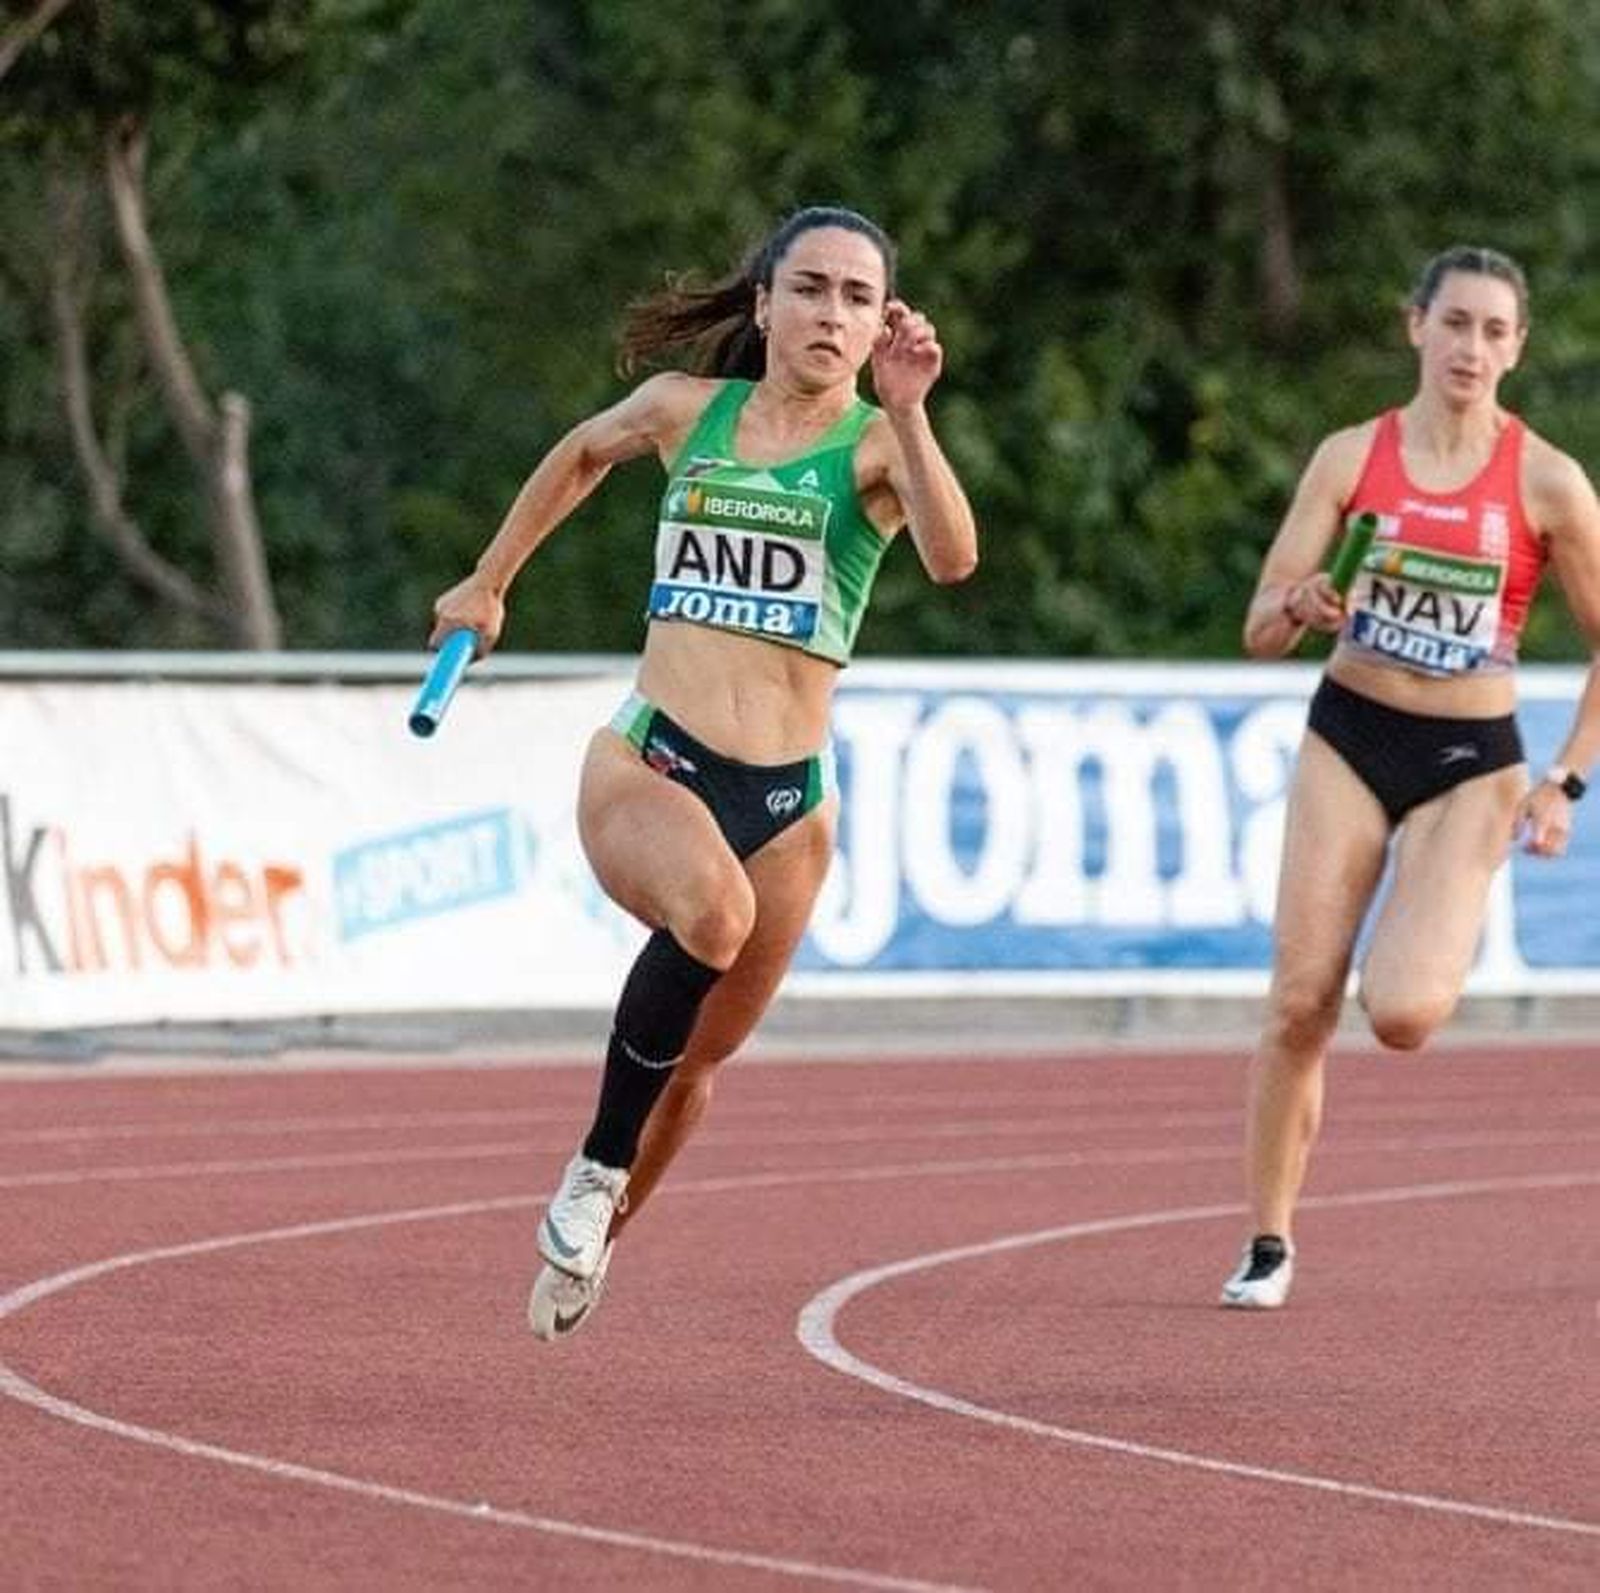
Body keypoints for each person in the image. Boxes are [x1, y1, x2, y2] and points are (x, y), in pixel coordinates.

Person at [428, 205, 978, 1340]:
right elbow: (583, 451)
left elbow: (953, 556)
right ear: (765, 303)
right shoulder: (690, 413)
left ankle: (597, 1235)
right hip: (651, 761)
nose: (832, 313)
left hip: (786, 809)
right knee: (710, 916)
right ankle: (590, 1168)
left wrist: (915, 415)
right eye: (812, 288)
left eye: (857, 298)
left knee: (696, 1068)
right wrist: (488, 583)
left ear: (882, 325)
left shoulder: (878, 444)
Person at [1222, 245, 1600, 1309]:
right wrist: (1302, 607)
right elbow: (1259, 626)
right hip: (1348, 732)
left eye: (1493, 331)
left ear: (1517, 348)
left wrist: (1564, 783)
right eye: (1455, 324)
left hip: (1469, 766)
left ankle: (1438, 908)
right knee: (1298, 1001)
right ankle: (1266, 1242)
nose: (1470, 348)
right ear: (1414, 328)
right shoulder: (1351, 459)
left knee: (1397, 1014)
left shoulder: (1546, 482)